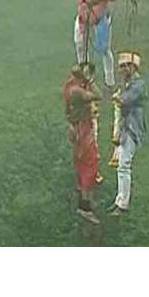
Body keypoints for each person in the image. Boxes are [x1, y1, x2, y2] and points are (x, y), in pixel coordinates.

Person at [70, 0, 120, 92]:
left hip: (100, 16)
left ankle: (109, 82)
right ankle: (84, 77)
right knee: (79, 44)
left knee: (105, 50)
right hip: (84, 14)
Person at [108, 52, 147, 216]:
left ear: (133, 67)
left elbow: (125, 100)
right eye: (121, 66)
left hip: (132, 127)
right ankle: (119, 199)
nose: (122, 69)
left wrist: (118, 97)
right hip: (125, 128)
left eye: (125, 66)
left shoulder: (138, 84)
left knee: (124, 165)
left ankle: (123, 204)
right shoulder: (127, 84)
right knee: (121, 166)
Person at [63, 63, 102, 224]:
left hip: (77, 128)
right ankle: (85, 207)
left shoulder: (68, 87)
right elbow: (97, 95)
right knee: (90, 164)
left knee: (80, 163)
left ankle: (82, 194)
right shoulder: (77, 91)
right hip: (83, 128)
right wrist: (91, 81)